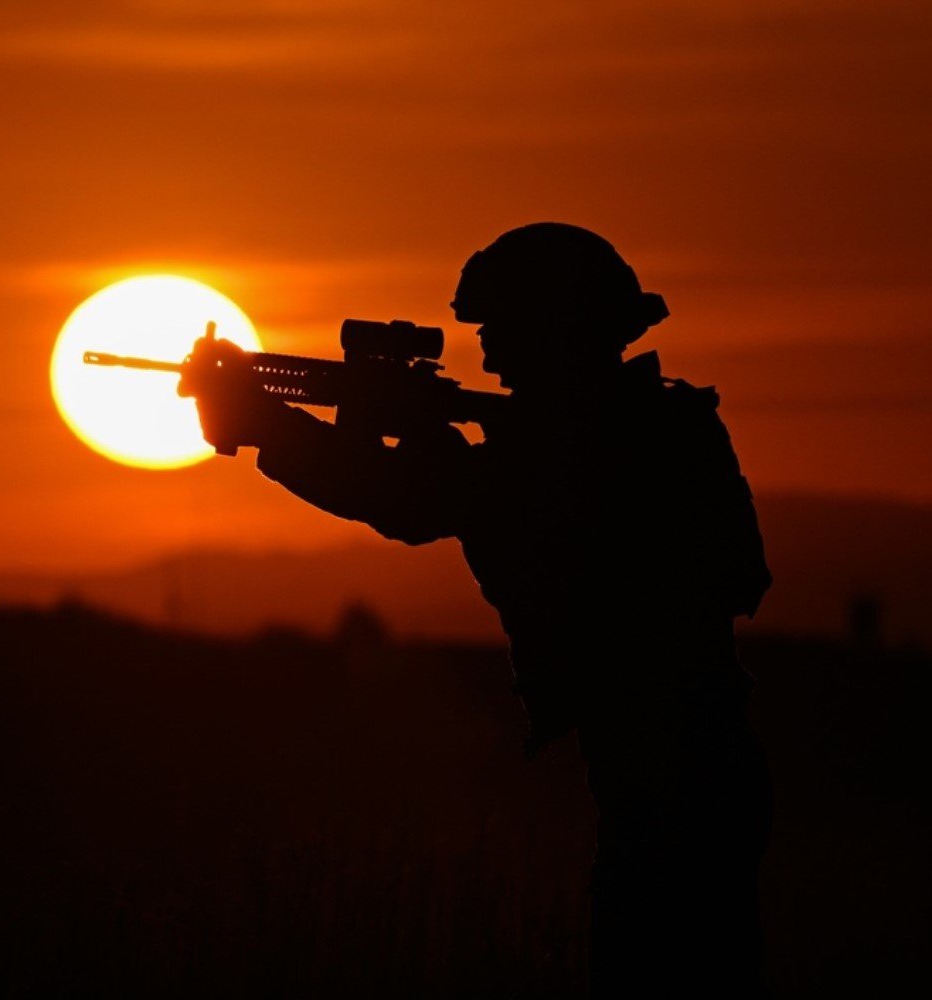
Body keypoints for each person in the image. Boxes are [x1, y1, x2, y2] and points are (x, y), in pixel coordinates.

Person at [188, 222, 774, 997]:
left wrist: (272, 429)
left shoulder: (629, 439)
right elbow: (437, 492)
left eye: (502, 331)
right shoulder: (638, 430)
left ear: (558, 333)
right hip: (676, 753)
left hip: (677, 761)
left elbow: (412, 501)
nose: (488, 353)